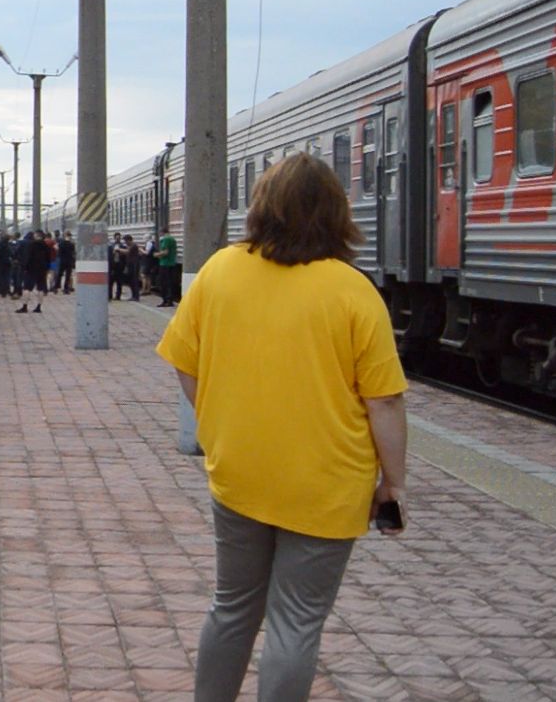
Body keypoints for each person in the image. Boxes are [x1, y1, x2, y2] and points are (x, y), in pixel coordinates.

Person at [155, 153, 408, 702]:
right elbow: (384, 403)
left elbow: (183, 360)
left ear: (261, 206)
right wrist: (394, 482)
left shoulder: (221, 270)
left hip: (240, 471)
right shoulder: (353, 291)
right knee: (296, 623)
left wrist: (217, 423)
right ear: (336, 214)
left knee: (232, 606)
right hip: (327, 481)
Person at [17, 230, 50, 313]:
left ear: (36, 235)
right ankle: (39, 307)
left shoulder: (31, 245)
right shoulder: (46, 246)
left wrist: (25, 267)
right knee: (40, 288)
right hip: (42, 270)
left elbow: (27, 258)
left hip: (31, 269)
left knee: (27, 288)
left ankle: (24, 306)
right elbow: (48, 259)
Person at [157, 227, 181, 307]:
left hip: (165, 264)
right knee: (170, 282)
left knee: (164, 283)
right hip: (172, 263)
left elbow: (165, 252)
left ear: (162, 232)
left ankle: (166, 301)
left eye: (160, 233)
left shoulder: (166, 239)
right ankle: (170, 300)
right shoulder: (173, 239)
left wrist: (157, 254)